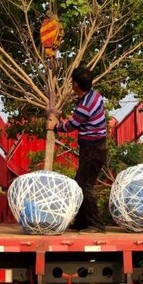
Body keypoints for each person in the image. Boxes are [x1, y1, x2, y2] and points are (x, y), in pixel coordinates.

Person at [48, 66, 107, 233]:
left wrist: (55, 126)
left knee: (84, 185)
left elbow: (72, 125)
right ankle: (82, 222)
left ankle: (96, 224)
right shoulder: (93, 96)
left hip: (93, 149)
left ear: (75, 84)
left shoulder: (85, 104)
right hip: (95, 148)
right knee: (79, 184)